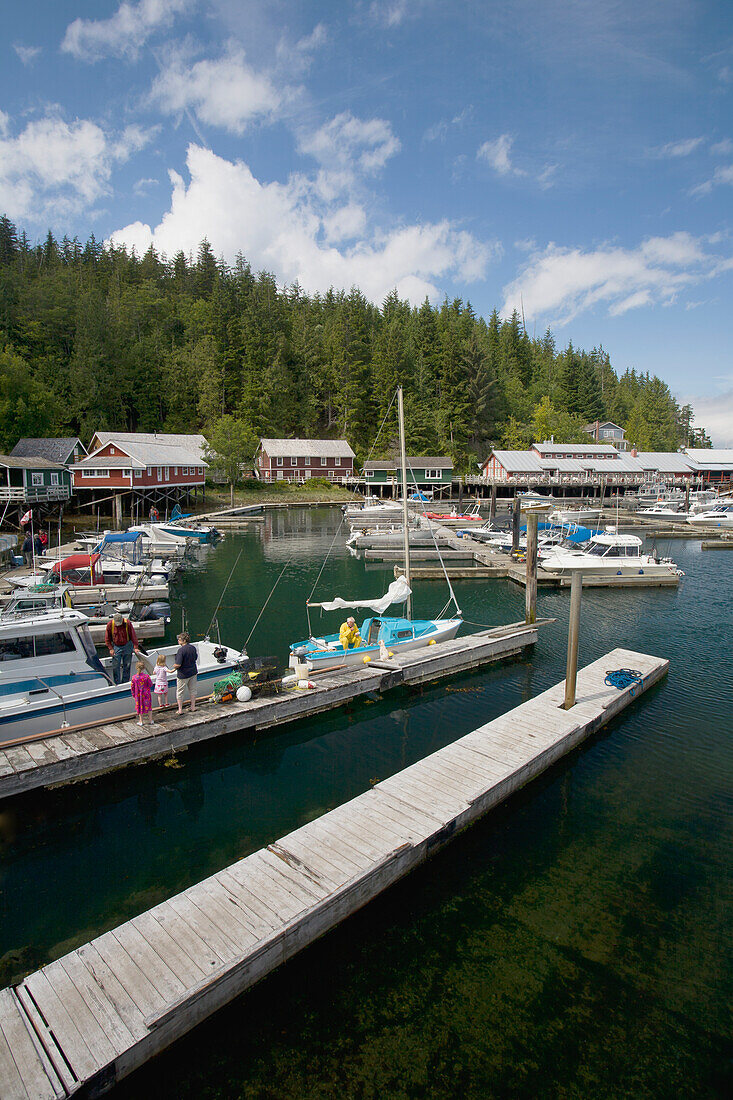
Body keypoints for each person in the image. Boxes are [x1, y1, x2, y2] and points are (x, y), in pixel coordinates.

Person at [105, 611, 141, 685]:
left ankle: (125, 682)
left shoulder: (127, 623)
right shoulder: (110, 625)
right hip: (116, 646)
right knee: (115, 666)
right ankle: (117, 683)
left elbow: (133, 635)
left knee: (127, 665)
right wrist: (111, 648)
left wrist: (135, 647)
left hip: (127, 645)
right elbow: (107, 638)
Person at [173, 631, 198, 715]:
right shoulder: (193, 648)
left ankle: (180, 709)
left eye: (179, 639)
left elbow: (178, 664)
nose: (178, 641)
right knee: (193, 690)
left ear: (183, 640)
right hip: (193, 672)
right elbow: (195, 658)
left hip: (183, 674)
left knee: (180, 692)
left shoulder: (181, 650)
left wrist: (174, 666)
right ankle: (193, 706)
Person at [130, 661, 156, 727]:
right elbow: (150, 684)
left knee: (139, 707)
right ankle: (150, 720)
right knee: (149, 706)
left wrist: (133, 695)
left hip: (138, 695)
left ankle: (141, 721)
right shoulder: (146, 676)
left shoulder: (134, 678)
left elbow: (132, 687)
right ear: (144, 668)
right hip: (146, 694)